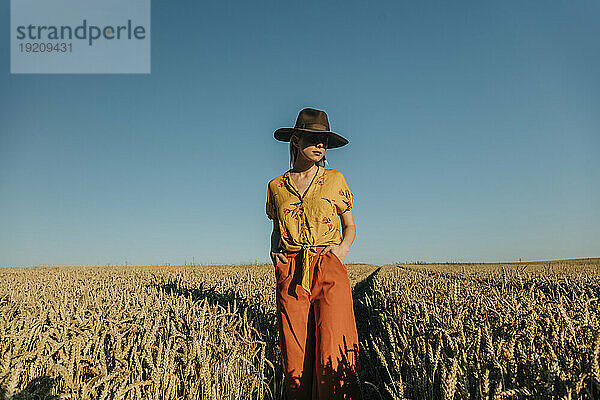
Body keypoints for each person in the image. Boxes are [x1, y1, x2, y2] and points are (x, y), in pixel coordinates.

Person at [265, 108, 363, 399]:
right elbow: (275, 227)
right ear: (295, 140)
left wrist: (341, 251)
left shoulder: (334, 179)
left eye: (325, 141)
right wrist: (275, 254)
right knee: (295, 355)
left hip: (327, 266)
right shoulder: (276, 186)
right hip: (292, 270)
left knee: (333, 349)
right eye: (314, 138)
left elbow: (350, 227)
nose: (321, 145)